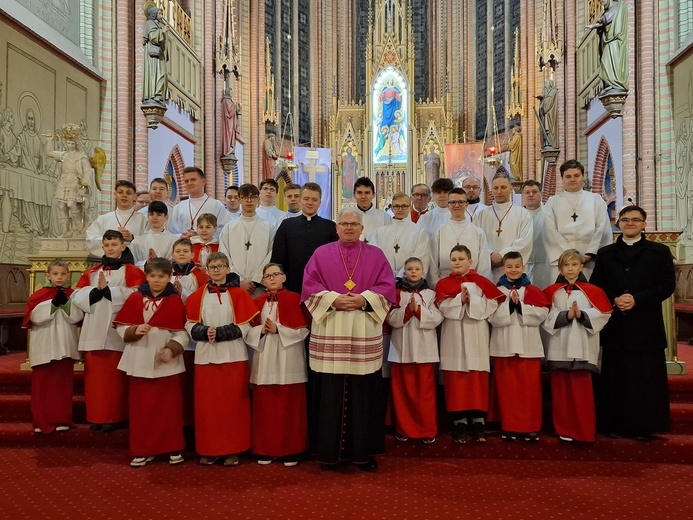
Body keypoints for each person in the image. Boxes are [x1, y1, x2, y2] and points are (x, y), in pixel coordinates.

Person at [301, 208, 397, 471]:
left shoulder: (376, 255)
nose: (349, 228)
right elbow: (308, 285)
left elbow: (388, 287)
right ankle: (328, 453)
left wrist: (364, 299)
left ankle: (362, 454)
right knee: (329, 392)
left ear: (362, 228)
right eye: (344, 224)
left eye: (354, 224)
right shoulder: (321, 254)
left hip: (362, 330)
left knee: (363, 392)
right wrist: (333, 299)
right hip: (332, 328)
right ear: (336, 227)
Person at [590, 205, 676, 440]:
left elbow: (667, 285)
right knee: (615, 376)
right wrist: (615, 298)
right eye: (625, 219)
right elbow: (596, 284)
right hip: (616, 323)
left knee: (645, 377)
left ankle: (643, 426)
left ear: (644, 224)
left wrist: (637, 299)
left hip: (645, 322)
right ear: (618, 222)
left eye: (635, 220)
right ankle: (614, 424)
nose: (630, 223)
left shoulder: (659, 252)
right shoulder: (606, 253)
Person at [185, 252, 258, 466]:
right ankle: (209, 449)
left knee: (233, 405)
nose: (216, 270)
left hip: (233, 356)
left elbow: (248, 325)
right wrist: (204, 331)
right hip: (206, 357)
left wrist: (224, 332)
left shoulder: (240, 295)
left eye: (221, 266)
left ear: (228, 268)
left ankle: (232, 449)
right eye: (212, 266)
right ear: (206, 270)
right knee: (208, 407)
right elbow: (189, 324)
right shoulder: (197, 296)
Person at [114, 257, 188, 467]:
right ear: (147, 276)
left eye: (162, 277)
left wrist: (171, 349)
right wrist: (134, 330)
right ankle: (143, 449)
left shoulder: (174, 301)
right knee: (141, 409)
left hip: (166, 364)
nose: (157, 280)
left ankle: (173, 447)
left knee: (169, 408)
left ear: (169, 277)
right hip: (139, 359)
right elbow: (120, 327)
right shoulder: (135, 298)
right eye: (153, 276)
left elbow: (182, 333)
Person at [72, 230, 147, 432]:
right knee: (95, 379)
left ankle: (115, 416)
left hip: (116, 329)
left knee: (115, 379)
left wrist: (110, 291)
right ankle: (96, 416)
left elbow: (137, 295)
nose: (110, 248)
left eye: (114, 244)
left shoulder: (131, 271)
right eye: (107, 245)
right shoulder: (92, 271)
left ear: (123, 246)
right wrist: (96, 292)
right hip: (94, 328)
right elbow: (76, 294)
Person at [435, 245, 503, 443]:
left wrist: (472, 300)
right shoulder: (443, 283)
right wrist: (459, 300)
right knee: (457, 378)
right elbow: (441, 307)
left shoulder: (481, 282)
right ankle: (460, 422)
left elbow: (492, 304)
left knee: (476, 377)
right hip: (453, 335)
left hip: (476, 332)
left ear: (470, 262)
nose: (456, 262)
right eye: (453, 259)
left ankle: (479, 420)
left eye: (461, 259)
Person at [542, 249, 612, 442]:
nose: (570, 269)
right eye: (566, 265)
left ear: (581, 266)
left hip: (582, 344)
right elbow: (544, 316)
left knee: (581, 391)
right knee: (561, 390)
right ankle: (563, 429)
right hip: (559, 344)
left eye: (574, 264)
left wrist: (581, 315)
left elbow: (604, 314)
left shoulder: (593, 291)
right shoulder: (552, 292)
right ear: (561, 268)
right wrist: (566, 316)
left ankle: (583, 430)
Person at [245, 263, 310, 466]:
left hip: (288, 356)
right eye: (267, 276)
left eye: (276, 274)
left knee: (291, 405)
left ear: (284, 277)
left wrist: (279, 329)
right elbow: (247, 331)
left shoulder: (294, 299)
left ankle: (292, 449)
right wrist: (262, 331)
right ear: (263, 281)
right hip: (264, 357)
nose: (271, 278)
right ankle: (266, 449)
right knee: (265, 405)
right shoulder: (256, 301)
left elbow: (304, 329)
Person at [488, 252, 551, 441]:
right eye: (509, 266)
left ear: (523, 267)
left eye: (517, 266)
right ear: (503, 268)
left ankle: (530, 427)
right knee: (508, 389)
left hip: (528, 347)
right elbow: (490, 316)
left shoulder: (532, 290)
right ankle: (509, 426)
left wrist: (520, 307)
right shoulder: (497, 291)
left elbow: (542, 314)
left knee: (528, 390)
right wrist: (509, 307)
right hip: (504, 346)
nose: (513, 270)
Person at [22, 259, 83, 434]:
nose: (59, 277)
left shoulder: (72, 295)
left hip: (64, 344)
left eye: (63, 274)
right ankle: (41, 421)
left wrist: (66, 303)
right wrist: (53, 304)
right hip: (45, 344)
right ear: (47, 275)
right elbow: (34, 317)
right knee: (43, 385)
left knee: (62, 385)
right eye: (55, 274)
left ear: (68, 275)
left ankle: (62, 418)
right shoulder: (38, 295)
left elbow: (76, 318)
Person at [386, 257, 443, 443]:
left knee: (425, 392)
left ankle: (427, 429)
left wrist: (418, 311)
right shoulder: (397, 293)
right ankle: (404, 429)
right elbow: (390, 318)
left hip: (424, 349)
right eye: (409, 268)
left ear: (423, 272)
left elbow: (437, 317)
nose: (413, 271)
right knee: (403, 392)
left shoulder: (430, 294)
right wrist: (406, 311)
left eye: (417, 268)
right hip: (402, 349)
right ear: (404, 272)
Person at [543, 160, 613, 281]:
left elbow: (602, 228)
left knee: (589, 293)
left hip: (588, 259)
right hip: (562, 258)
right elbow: (549, 230)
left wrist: (590, 254)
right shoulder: (553, 202)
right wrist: (570, 256)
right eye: (568, 176)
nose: (572, 179)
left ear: (583, 176)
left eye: (576, 175)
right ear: (562, 178)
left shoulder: (595, 200)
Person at [271, 182, 338, 294]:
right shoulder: (286, 225)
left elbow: (335, 259)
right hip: (291, 285)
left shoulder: (330, 226)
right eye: (306, 199)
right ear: (300, 200)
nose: (310, 203)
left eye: (314, 199)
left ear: (320, 202)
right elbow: (277, 258)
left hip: (322, 286)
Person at [475, 172, 533, 281]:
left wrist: (502, 255)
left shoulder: (523, 214)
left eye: (503, 187)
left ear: (511, 189)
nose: (499, 191)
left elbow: (525, 242)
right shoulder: (482, 215)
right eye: (495, 188)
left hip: (512, 271)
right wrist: (490, 254)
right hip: (487, 269)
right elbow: (475, 240)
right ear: (491, 190)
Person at [218, 184, 273, 296]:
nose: (249, 201)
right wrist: (239, 280)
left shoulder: (268, 227)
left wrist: (256, 279)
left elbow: (271, 254)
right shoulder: (229, 227)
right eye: (245, 197)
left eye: (252, 197)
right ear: (239, 199)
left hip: (260, 286)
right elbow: (224, 255)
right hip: (235, 285)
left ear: (258, 199)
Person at [429, 188, 492, 286]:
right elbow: (432, 264)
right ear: (448, 205)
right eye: (453, 202)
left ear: (467, 205)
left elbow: (484, 266)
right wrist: (437, 286)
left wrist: (479, 288)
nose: (457, 205)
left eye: (461, 202)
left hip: (472, 285)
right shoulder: (440, 232)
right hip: (445, 286)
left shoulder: (478, 232)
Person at [46, 131, 96, 237]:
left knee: (71, 204)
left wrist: (83, 184)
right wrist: (49, 140)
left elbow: (88, 171)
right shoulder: (64, 155)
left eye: (72, 143)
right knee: (62, 206)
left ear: (77, 144)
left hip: (75, 184)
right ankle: (65, 231)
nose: (70, 146)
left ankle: (78, 228)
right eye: (68, 143)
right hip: (63, 183)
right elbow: (49, 153)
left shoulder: (82, 157)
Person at [369, 193, 431, 277]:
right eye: (396, 206)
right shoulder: (379, 232)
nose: (400, 209)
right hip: (383, 278)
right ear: (391, 208)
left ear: (410, 207)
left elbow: (420, 257)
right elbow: (373, 257)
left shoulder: (419, 232)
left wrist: (401, 277)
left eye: (404, 206)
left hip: (409, 280)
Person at [85, 180, 147, 257]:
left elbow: (152, 240)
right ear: (115, 194)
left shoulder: (144, 220)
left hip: (135, 263)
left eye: (128, 193)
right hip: (110, 264)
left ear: (135, 196)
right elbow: (91, 240)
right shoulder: (103, 219)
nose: (124, 195)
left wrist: (133, 238)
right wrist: (112, 240)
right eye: (120, 192)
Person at [169, 166, 231, 238]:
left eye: (193, 180)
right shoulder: (178, 208)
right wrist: (181, 236)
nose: (189, 183)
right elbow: (170, 232)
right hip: (183, 246)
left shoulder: (216, 206)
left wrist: (202, 236)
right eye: (186, 181)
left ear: (203, 182)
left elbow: (225, 230)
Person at [586, 0, 629, 94]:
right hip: (608, 41)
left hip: (615, 41)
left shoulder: (618, 6)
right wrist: (595, 25)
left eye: (603, 1)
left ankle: (615, 83)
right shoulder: (609, 9)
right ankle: (610, 83)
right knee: (605, 62)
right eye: (601, 2)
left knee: (608, 60)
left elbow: (607, 18)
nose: (602, 3)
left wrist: (597, 22)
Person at [522, 180, 551, 289]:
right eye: (527, 192)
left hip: (545, 265)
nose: (531, 195)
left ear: (541, 194)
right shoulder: (517, 215)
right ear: (523, 195)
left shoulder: (549, 213)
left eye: (534, 191)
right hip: (523, 265)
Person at [130, 201, 178, 267]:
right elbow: (133, 264)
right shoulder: (137, 242)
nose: (154, 218)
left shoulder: (174, 241)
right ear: (148, 216)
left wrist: (157, 262)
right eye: (151, 214)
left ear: (166, 218)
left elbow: (175, 264)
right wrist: (147, 262)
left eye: (159, 215)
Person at [142, 5, 167, 104]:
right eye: (160, 14)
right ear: (154, 14)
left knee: (162, 74)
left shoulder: (158, 25)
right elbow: (152, 37)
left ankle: (158, 94)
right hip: (153, 56)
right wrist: (162, 32)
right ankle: (153, 94)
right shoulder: (149, 23)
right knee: (156, 73)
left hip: (159, 55)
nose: (161, 16)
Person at [353, 177, 391, 241]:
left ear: (373, 195)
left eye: (367, 193)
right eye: (359, 193)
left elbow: (389, 240)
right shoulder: (347, 216)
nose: (363, 196)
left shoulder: (385, 217)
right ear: (354, 195)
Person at [538, 79, 558, 149]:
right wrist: (542, 99)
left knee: (549, 129)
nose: (545, 85)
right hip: (546, 115)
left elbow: (548, 103)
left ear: (550, 84)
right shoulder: (548, 92)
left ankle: (550, 142)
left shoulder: (553, 91)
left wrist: (543, 100)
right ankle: (546, 142)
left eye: (546, 83)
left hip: (550, 115)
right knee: (545, 129)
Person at [221, 87, 238, 155]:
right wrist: (235, 105)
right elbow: (229, 111)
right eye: (231, 92)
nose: (232, 94)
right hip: (228, 121)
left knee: (231, 134)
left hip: (230, 121)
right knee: (228, 133)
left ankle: (230, 148)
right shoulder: (226, 100)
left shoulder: (228, 100)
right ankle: (227, 149)